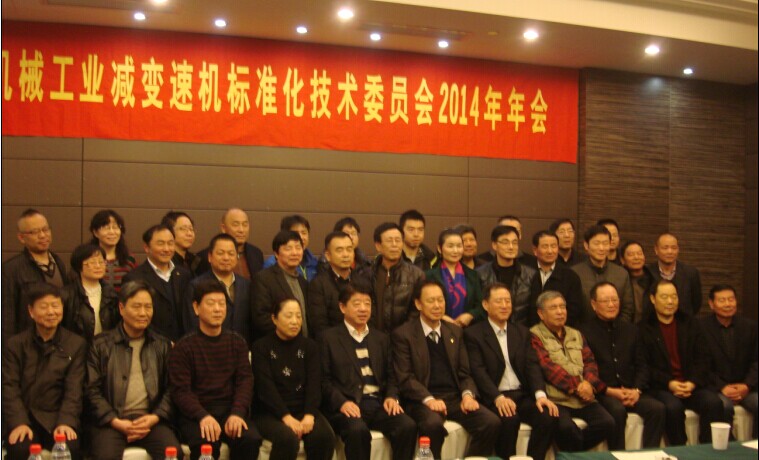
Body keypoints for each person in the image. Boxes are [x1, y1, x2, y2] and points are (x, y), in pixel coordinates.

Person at [392, 280, 500, 459]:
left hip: (454, 398)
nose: (437, 305)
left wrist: (467, 395)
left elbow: (464, 372)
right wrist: (429, 400)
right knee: (432, 424)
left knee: (490, 422)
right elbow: (405, 378)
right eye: (431, 301)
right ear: (418, 304)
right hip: (421, 400)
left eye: (440, 300)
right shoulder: (404, 334)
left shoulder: (455, 332)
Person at [86, 280, 184, 460]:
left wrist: (155, 418)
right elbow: (91, 390)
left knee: (173, 453)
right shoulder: (101, 345)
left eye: (148, 307)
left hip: (150, 420)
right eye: (137, 307)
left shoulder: (161, 344)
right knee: (105, 456)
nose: (143, 313)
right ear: (122, 308)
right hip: (112, 422)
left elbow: (172, 388)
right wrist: (115, 421)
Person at [319, 283, 417, 460]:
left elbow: (392, 375)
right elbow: (324, 381)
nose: (363, 309)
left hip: (377, 404)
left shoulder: (381, 338)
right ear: (342, 307)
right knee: (358, 431)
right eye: (357, 304)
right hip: (348, 405)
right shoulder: (328, 338)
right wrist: (342, 402)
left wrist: (391, 397)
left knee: (407, 425)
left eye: (367, 303)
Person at [169, 279, 262, 460]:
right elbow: (181, 391)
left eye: (222, 303)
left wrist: (237, 413)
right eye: (211, 304)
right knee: (206, 443)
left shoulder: (237, 342)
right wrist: (202, 416)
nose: (218, 309)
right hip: (196, 414)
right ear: (196, 308)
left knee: (250, 439)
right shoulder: (184, 347)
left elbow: (245, 381)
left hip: (230, 410)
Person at [465, 282, 559, 460]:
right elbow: (478, 371)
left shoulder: (522, 332)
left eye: (508, 301)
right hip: (494, 396)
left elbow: (532, 366)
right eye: (499, 301)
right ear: (485, 305)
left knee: (547, 416)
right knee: (510, 419)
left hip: (521, 395)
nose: (504, 305)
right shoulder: (474, 334)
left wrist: (540, 395)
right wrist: (497, 398)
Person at [2, 283, 86, 460]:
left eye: (55, 306)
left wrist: (66, 421)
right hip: (26, 417)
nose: (51, 312)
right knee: (19, 449)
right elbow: (9, 387)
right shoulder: (15, 345)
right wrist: (19, 422)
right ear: (31, 311)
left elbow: (74, 390)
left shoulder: (75, 344)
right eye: (44, 306)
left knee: (70, 447)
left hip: (57, 417)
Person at [637, 279, 726, 445]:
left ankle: (708, 448)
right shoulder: (643, 328)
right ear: (653, 299)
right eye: (664, 297)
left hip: (691, 384)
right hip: (662, 386)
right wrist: (670, 383)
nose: (670, 302)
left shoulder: (690, 323)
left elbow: (703, 358)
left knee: (713, 402)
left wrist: (692, 383)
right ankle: (680, 450)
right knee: (673, 407)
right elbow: (645, 366)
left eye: (674, 296)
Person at [579, 282, 665, 449]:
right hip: (604, 393)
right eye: (605, 301)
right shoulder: (583, 332)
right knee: (616, 411)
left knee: (657, 408)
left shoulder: (632, 330)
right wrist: (610, 391)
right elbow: (586, 370)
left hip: (631, 390)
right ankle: (618, 455)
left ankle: (651, 454)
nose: (611, 305)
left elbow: (642, 364)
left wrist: (637, 390)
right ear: (593, 304)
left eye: (615, 300)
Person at [530, 291, 616, 451]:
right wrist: (577, 387)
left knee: (607, 423)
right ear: (541, 314)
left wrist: (589, 384)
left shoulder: (576, 334)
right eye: (554, 308)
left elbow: (590, 362)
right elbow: (547, 367)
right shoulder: (534, 335)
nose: (560, 312)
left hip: (584, 399)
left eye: (562, 307)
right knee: (567, 429)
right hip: (557, 399)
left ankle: (573, 454)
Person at [252, 298, 336, 460]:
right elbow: (265, 388)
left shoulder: (310, 346)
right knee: (287, 439)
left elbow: (314, 385)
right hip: (270, 412)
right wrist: (286, 417)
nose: (295, 321)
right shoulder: (261, 347)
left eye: (298, 316)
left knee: (324, 437)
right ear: (274, 318)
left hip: (303, 409)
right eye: (289, 315)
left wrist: (309, 415)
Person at [700, 284, 758, 439]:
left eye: (731, 299)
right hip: (717, 388)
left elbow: (756, 360)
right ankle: (725, 448)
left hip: (746, 387)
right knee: (723, 406)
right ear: (711, 304)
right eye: (722, 300)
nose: (728, 304)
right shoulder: (701, 328)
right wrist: (722, 387)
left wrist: (747, 385)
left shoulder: (750, 327)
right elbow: (701, 365)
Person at [2, 208, 69, 338]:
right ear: (21, 238)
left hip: (58, 339)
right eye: (34, 232)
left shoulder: (58, 262)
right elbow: (7, 315)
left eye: (45, 229)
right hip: (27, 341)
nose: (42, 235)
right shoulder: (11, 269)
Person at [122, 224, 191, 342]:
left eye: (170, 243)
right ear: (146, 248)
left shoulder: (184, 275)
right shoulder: (134, 277)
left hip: (183, 344)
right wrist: (162, 343)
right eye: (160, 243)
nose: (166, 249)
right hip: (150, 344)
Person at [355, 222, 425, 334]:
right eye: (389, 241)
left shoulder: (416, 275)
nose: (394, 245)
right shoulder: (366, 274)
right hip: (371, 337)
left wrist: (403, 335)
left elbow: (417, 312)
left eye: (398, 240)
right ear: (378, 246)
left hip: (404, 338)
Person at [185, 234, 252, 348]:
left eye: (231, 253)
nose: (226, 258)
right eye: (220, 253)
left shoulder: (247, 284)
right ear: (210, 257)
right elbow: (191, 323)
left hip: (241, 348)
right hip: (207, 349)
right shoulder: (196, 285)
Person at [252, 230, 310, 340]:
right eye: (288, 248)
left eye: (298, 248)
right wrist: (287, 334)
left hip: (302, 344)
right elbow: (261, 317)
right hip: (276, 343)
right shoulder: (264, 278)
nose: (294, 253)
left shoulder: (303, 282)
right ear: (276, 253)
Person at [476, 225, 538, 325]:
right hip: (489, 329)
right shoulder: (480, 274)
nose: (511, 247)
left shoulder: (531, 274)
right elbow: (479, 307)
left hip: (521, 329)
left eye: (515, 242)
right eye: (505, 242)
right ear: (494, 245)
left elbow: (533, 310)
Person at [571, 225, 634, 322]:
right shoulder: (574, 273)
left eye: (605, 243)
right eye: (596, 243)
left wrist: (617, 328)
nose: (601, 248)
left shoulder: (622, 273)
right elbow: (571, 308)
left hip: (616, 328)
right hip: (582, 329)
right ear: (586, 246)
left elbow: (627, 309)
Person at [425, 228, 484, 328]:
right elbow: (423, 304)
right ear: (439, 248)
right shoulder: (429, 275)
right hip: (437, 327)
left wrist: (470, 315)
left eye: (459, 246)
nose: (455, 251)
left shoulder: (473, 275)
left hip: (467, 329)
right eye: (450, 246)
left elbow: (481, 305)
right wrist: (441, 317)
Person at [62, 243, 119, 342]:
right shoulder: (67, 295)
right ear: (79, 266)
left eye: (101, 262)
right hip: (76, 347)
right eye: (92, 263)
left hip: (106, 347)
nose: (98, 266)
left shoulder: (112, 294)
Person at [528, 230, 584, 327]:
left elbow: (574, 309)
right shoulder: (526, 272)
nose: (550, 251)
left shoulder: (570, 276)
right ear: (535, 250)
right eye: (545, 246)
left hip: (560, 329)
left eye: (553, 246)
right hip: (529, 330)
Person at [308, 231, 355, 338]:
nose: (345, 254)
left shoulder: (362, 280)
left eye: (349, 249)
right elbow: (319, 325)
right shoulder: (318, 284)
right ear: (328, 255)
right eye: (339, 250)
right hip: (332, 343)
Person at [196, 208, 265, 280]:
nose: (241, 230)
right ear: (223, 228)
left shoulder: (256, 253)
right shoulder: (204, 257)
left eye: (245, 225)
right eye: (236, 225)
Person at [647, 232, 703, 316]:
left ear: (678, 250)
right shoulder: (647, 272)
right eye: (665, 248)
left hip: (684, 321)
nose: (670, 251)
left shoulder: (691, 273)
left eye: (674, 248)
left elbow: (696, 303)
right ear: (656, 250)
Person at [89, 209, 137, 292]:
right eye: (106, 228)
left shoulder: (129, 259)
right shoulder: (87, 258)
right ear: (95, 232)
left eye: (115, 227)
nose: (112, 232)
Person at [264, 215, 320, 281]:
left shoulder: (315, 262)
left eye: (304, 233)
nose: (301, 237)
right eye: (295, 233)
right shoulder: (272, 263)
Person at [619, 240, 653, 323]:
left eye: (639, 253)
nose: (636, 257)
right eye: (631, 254)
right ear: (622, 260)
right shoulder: (619, 280)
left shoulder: (653, 279)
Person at [162, 211, 201, 276]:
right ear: (169, 231)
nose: (189, 233)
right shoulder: (165, 262)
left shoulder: (195, 260)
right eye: (183, 229)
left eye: (191, 229)